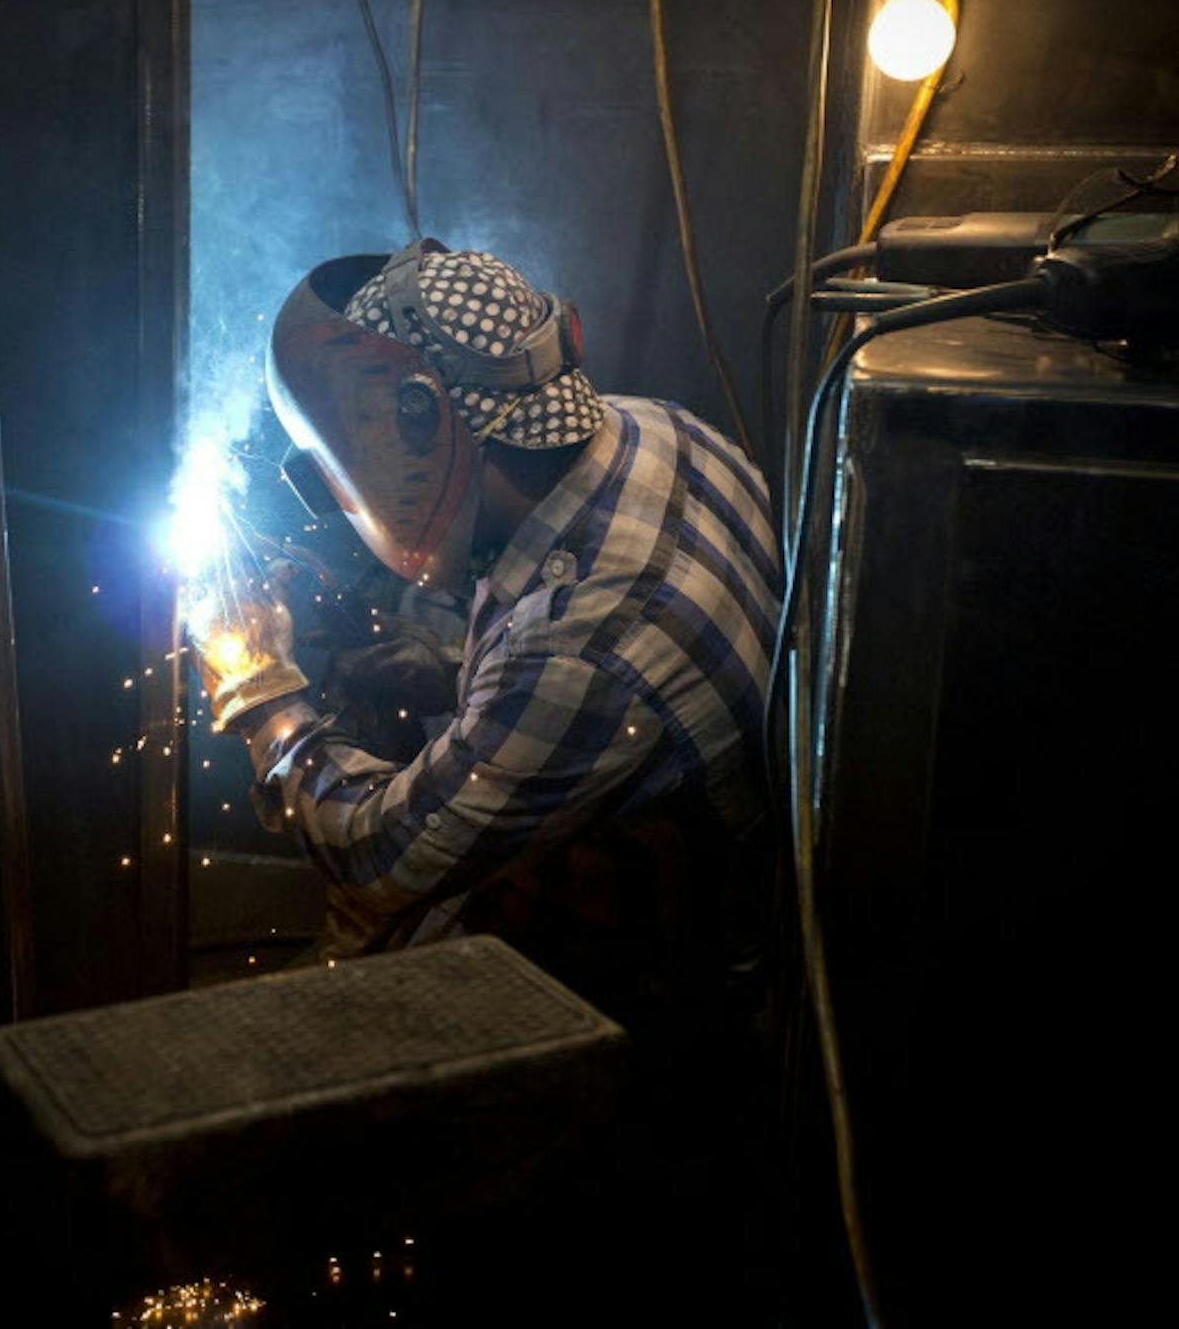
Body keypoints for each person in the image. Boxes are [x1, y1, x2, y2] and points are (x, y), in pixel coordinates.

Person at [191, 240, 782, 1044]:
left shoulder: (576, 656)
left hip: (661, 1004)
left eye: (332, 473)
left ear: (419, 421)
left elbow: (380, 859)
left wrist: (260, 688)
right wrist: (449, 671)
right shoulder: (661, 427)